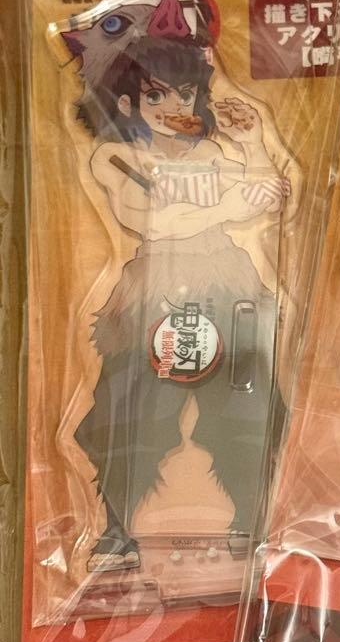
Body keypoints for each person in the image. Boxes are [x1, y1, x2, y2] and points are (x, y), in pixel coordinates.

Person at [74, 30, 288, 572]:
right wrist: (230, 205)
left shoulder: (212, 152)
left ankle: (252, 521)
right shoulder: (117, 157)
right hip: (155, 290)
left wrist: (256, 144)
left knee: (246, 407)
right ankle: (116, 531)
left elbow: (269, 196)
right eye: (156, 95)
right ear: (128, 103)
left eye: (186, 94)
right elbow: (153, 220)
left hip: (226, 282)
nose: (176, 107)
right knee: (128, 409)